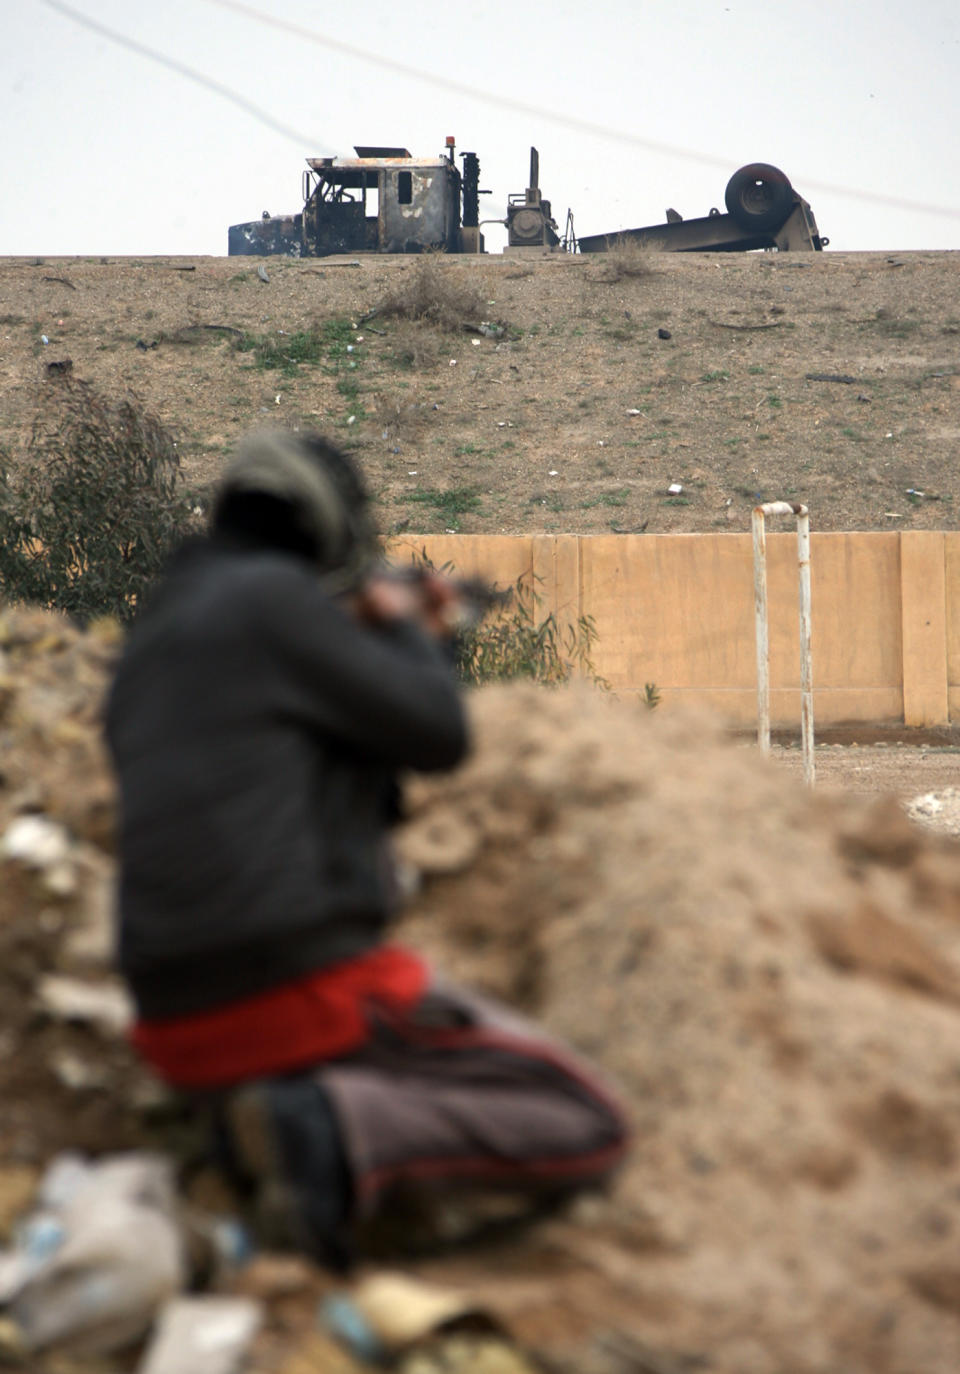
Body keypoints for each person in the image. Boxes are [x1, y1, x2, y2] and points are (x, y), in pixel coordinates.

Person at [106, 429, 628, 1267]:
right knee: (583, 1114)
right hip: (292, 992)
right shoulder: (275, 606)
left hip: (170, 1026)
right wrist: (417, 635)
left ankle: (249, 1125)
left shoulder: (159, 634)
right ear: (332, 532)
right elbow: (437, 733)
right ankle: (316, 1128)